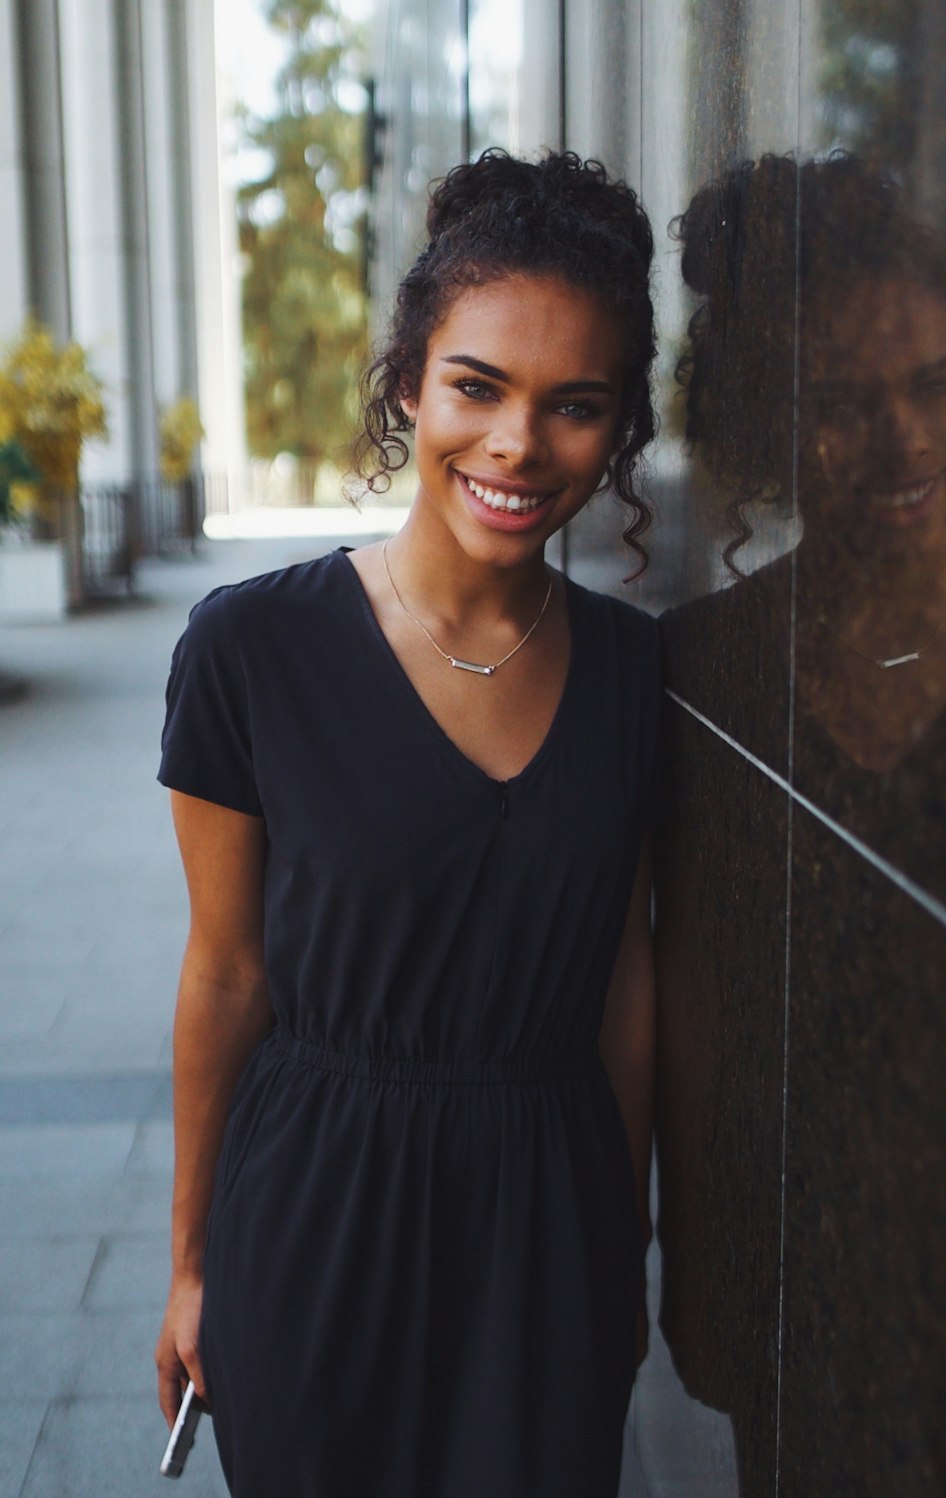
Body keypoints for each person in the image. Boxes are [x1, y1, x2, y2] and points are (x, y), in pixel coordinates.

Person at [154, 148, 662, 1498]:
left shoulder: (635, 677)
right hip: (317, 1209)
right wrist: (193, 1262)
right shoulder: (251, 649)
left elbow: (625, 981)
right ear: (408, 386)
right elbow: (225, 973)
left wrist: (626, 1244)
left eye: (575, 406)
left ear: (620, 434)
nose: (515, 444)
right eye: (477, 387)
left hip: (547, 1224)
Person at [656, 153, 946, 1496]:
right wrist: (705, 1273)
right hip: (815, 1302)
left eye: (936, 385)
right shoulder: (704, 673)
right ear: (762, 426)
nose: (911, 444)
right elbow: (697, 1005)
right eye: (843, 408)